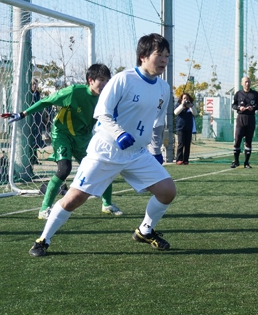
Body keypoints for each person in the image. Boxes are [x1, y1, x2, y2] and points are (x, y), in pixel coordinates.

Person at [28, 33, 177, 257]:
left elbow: (156, 122)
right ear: (143, 56)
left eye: (167, 55)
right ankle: (43, 239)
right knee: (74, 199)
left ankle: (145, 231)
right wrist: (118, 134)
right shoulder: (123, 79)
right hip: (106, 150)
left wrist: (154, 150)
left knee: (167, 191)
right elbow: (102, 113)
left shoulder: (164, 88)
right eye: (159, 55)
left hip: (136, 153)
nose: (164, 60)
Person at [1, 64, 125, 220]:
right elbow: (46, 101)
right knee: (64, 168)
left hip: (83, 138)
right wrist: (22, 114)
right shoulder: (73, 92)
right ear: (90, 80)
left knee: (102, 167)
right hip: (62, 134)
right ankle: (44, 209)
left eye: (108, 80)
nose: (105, 84)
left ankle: (107, 204)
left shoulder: (106, 98)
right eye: (101, 80)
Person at [231, 76, 258, 168]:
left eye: (248, 82)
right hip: (241, 119)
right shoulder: (238, 94)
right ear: (242, 83)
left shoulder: (255, 94)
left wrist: (254, 107)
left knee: (248, 142)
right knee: (237, 141)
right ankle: (236, 161)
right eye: (245, 82)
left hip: (250, 119)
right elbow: (234, 105)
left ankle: (246, 163)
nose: (247, 84)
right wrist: (239, 108)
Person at [174, 92, 197, 165]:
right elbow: (176, 112)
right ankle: (179, 159)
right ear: (181, 99)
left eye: (187, 98)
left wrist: (191, 106)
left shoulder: (191, 106)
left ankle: (186, 159)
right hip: (180, 127)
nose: (186, 100)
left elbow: (195, 113)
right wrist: (182, 105)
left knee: (187, 144)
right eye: (184, 98)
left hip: (189, 127)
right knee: (181, 143)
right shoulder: (178, 105)